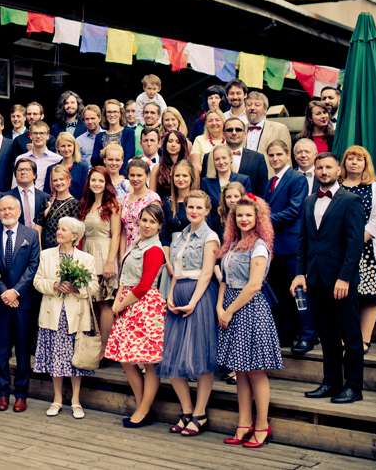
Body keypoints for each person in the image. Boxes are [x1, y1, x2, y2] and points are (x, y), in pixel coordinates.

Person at [216, 194, 283, 447]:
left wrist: (230, 310)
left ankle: (262, 425)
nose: (244, 219)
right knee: (240, 371)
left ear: (257, 218)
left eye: (248, 215)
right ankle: (244, 423)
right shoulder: (232, 244)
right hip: (230, 307)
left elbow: (254, 285)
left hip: (250, 308)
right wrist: (220, 307)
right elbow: (224, 280)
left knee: (255, 371)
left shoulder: (259, 246)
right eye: (239, 215)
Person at [159, 191, 220, 437]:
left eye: (198, 207)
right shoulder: (181, 235)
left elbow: (207, 273)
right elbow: (176, 270)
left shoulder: (210, 237)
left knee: (201, 355)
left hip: (200, 296)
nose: (194, 211)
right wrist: (170, 295)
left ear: (207, 210)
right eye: (190, 207)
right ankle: (186, 410)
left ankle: (200, 413)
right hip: (179, 291)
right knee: (171, 355)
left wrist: (194, 302)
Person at [105, 203, 167, 427]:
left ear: (159, 226)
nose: (147, 225)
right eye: (144, 220)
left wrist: (120, 305)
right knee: (126, 359)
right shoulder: (137, 244)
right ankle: (143, 406)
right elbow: (126, 278)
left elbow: (144, 286)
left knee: (148, 362)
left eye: (152, 222)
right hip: (127, 303)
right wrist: (118, 301)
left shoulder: (155, 250)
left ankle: (143, 409)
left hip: (144, 306)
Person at [33, 216, 97, 419]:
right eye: (59, 228)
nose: (59, 232)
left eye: (64, 230)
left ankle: (76, 401)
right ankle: (57, 399)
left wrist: (77, 288)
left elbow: (94, 287)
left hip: (76, 316)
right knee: (56, 359)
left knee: (76, 360)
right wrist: (54, 285)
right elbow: (37, 281)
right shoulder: (46, 255)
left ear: (75, 236)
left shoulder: (86, 259)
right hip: (53, 314)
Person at [0, 195, 41, 413]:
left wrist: (16, 291)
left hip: (23, 302)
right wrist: (4, 291)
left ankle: (21, 394)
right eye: (2, 210)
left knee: (23, 350)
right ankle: (2, 393)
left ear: (18, 211)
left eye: (10, 209)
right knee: (1, 350)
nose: (6, 212)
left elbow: (33, 266)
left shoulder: (31, 235)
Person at [263, 140, 314, 355]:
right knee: (280, 293)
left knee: (298, 291)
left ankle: (307, 334)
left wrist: (263, 221)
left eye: (279, 154)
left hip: (292, 245)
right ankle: (285, 334)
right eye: (271, 155)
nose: (275, 158)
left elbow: (295, 210)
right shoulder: (270, 182)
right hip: (274, 246)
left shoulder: (296, 179)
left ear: (287, 156)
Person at [339, 146, 376, 355]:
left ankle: (364, 339)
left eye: (359, 159)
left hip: (366, 250)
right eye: (350, 158)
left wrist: (355, 243)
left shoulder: (374, 188)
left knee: (369, 296)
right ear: (344, 163)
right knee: (344, 295)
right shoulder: (337, 187)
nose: (354, 162)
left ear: (366, 164)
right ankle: (346, 337)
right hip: (339, 250)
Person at [78, 166, 122, 346]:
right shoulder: (85, 204)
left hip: (104, 254)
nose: (96, 184)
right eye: (93, 180)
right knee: (92, 302)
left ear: (106, 184)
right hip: (87, 254)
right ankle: (94, 346)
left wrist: (110, 262)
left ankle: (105, 348)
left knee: (105, 302)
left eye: (101, 180)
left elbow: (116, 235)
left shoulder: (112, 206)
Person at [204, 117, 268, 197]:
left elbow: (263, 190)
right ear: (223, 134)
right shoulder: (209, 157)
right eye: (229, 130)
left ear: (245, 133)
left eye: (238, 129)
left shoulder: (258, 158)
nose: (234, 133)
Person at [202, 144, 252, 232]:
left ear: (231, 158)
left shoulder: (243, 180)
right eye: (217, 159)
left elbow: (248, 206)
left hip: (238, 229)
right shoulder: (206, 182)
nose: (221, 162)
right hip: (213, 230)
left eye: (224, 158)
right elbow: (205, 210)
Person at [119, 159, 161, 254]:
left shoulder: (152, 198)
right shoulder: (125, 198)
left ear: (147, 176)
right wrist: (122, 255)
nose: (135, 179)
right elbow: (124, 230)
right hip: (127, 250)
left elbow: (155, 229)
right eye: (132, 175)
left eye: (139, 175)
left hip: (145, 249)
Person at [243, 92, 292, 172]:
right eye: (249, 105)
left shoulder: (280, 129)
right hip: (243, 177)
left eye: (257, 105)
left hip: (269, 177)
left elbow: (287, 160)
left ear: (265, 110)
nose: (252, 108)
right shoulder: (239, 129)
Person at [38, 164, 81, 251]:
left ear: (68, 180)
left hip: (63, 250)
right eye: (55, 180)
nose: (58, 182)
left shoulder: (75, 204)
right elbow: (38, 227)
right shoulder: (47, 200)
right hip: (44, 249)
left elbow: (73, 233)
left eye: (61, 179)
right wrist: (39, 249)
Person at [14, 121, 62, 193]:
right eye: (35, 133)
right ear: (30, 136)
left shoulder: (57, 159)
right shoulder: (20, 159)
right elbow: (15, 185)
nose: (38, 136)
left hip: (49, 198)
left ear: (48, 136)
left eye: (42, 133)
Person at [6, 159, 49, 238]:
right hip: (15, 240)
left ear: (34, 175)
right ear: (15, 175)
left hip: (39, 240)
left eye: (27, 169)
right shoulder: (6, 197)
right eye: (20, 170)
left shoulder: (45, 198)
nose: (23, 172)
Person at [46, 132, 89, 198]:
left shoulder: (83, 167)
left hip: (78, 203)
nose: (66, 149)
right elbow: (47, 193)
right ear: (58, 148)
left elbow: (85, 192)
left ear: (74, 147)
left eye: (69, 145)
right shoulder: (51, 169)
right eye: (63, 146)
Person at [149, 130, 190, 199]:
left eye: (177, 142)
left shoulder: (190, 167)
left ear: (182, 145)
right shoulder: (157, 168)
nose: (173, 145)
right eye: (170, 141)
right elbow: (152, 195)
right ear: (165, 144)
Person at [91, 99, 124, 167]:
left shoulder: (129, 133)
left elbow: (128, 157)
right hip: (103, 172)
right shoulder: (99, 136)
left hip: (121, 173)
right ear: (105, 114)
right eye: (109, 112)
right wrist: (106, 149)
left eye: (115, 111)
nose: (112, 115)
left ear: (120, 114)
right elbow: (94, 161)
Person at [190, 109, 225, 173]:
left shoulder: (230, 139)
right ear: (206, 124)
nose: (214, 123)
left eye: (217, 120)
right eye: (210, 121)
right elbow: (196, 165)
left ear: (223, 122)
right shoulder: (199, 140)